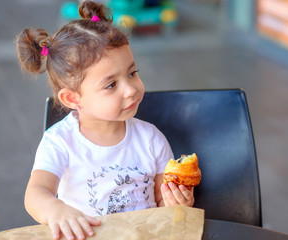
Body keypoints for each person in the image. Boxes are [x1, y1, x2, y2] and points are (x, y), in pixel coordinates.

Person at [16, 1, 195, 240]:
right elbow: (36, 193)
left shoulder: (151, 138)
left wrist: (177, 203)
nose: (131, 90)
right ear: (72, 97)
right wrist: (55, 210)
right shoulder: (60, 141)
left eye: (132, 73)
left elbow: (163, 202)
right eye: (111, 84)